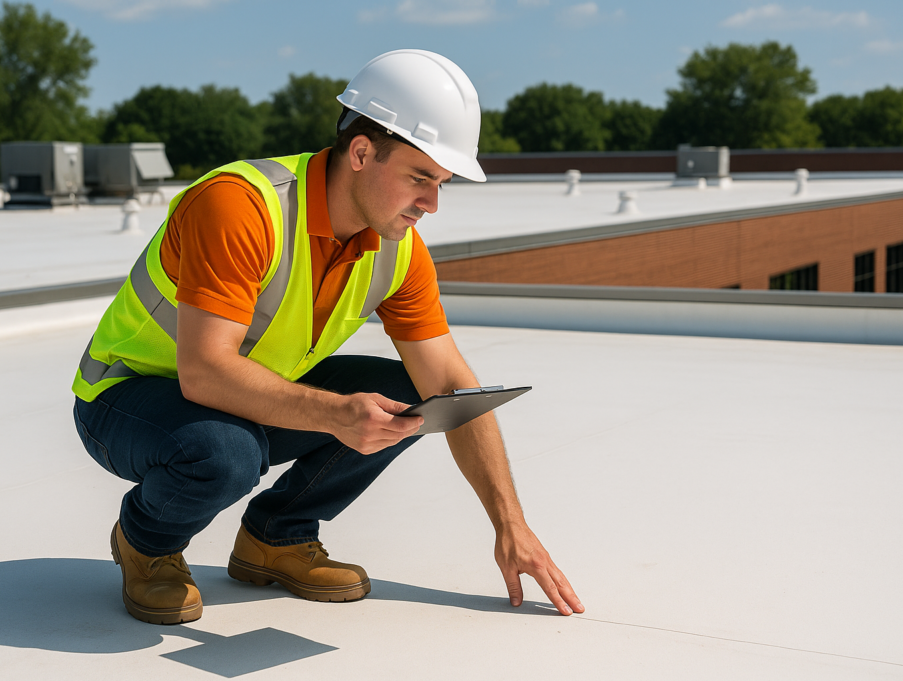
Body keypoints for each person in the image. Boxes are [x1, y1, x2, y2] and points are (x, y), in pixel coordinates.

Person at [72, 49, 584, 625]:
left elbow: (450, 384)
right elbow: (204, 371)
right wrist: (337, 414)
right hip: (126, 399)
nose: (432, 204)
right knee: (225, 454)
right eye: (420, 177)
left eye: (441, 183)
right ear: (361, 152)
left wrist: (509, 524)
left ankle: (276, 538)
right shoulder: (242, 205)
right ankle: (147, 542)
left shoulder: (398, 250)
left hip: (241, 395)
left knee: (416, 401)